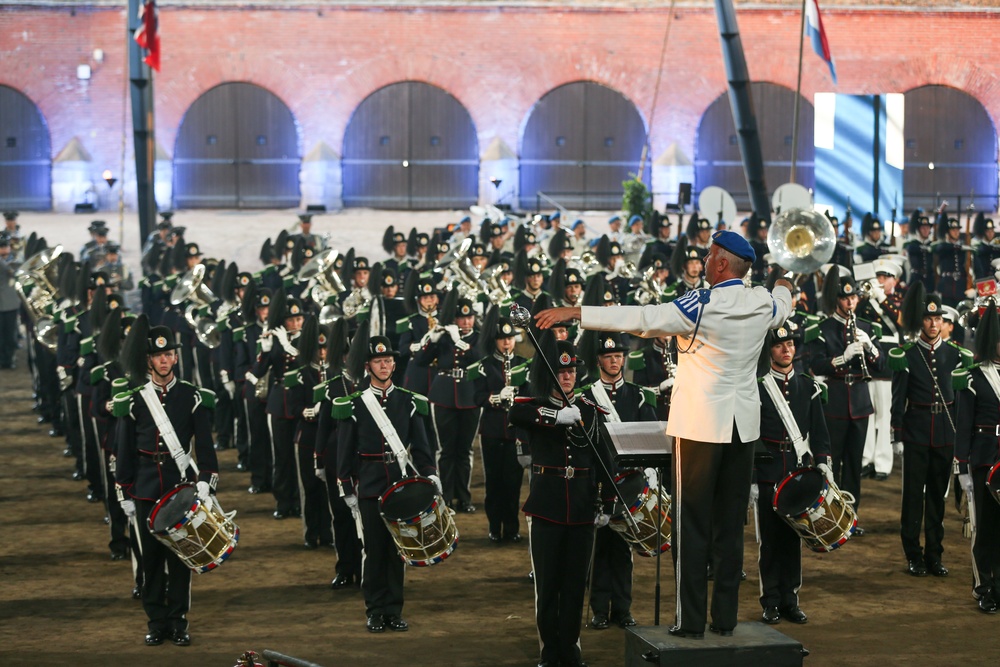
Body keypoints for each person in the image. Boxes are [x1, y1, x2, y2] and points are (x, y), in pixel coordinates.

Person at [535, 229, 794, 639]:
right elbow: (783, 303)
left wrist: (576, 313)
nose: (704, 261)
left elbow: (643, 319)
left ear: (722, 263)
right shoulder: (762, 301)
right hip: (743, 428)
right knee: (730, 526)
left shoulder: (702, 304)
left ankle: (690, 622)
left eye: (710, 256)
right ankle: (724, 619)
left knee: (691, 526)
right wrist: (785, 277)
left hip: (699, 428)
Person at [113, 317, 219, 646]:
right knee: (151, 561)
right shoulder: (134, 400)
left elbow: (205, 445)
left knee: (181, 559)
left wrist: (205, 481)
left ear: (175, 357)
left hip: (180, 489)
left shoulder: (192, 396)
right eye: (157, 355)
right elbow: (123, 450)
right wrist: (124, 491)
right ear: (148, 360)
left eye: (168, 354)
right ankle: (156, 621)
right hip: (145, 487)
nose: (163, 359)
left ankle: (178, 621)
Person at [508, 337, 612, 667]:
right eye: (559, 372)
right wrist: (555, 417)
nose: (566, 377)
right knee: (548, 584)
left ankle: (571, 647)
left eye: (570, 371)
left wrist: (607, 503)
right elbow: (516, 412)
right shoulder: (534, 406)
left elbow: (604, 461)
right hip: (547, 506)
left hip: (582, 507)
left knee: (574, 584)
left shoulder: (590, 411)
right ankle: (548, 650)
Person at [335, 333, 439, 633]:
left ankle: (394, 610)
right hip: (368, 486)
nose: (385, 365)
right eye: (379, 361)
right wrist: (346, 487)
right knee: (373, 550)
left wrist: (430, 473)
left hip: (400, 485)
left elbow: (421, 446)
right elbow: (345, 453)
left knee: (398, 551)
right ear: (368, 366)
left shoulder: (407, 401)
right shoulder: (355, 404)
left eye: (389, 360)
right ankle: (374, 610)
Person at [753, 325, 831, 626]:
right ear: (769, 350)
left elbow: (820, 434)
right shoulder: (758, 388)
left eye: (790, 344)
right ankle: (770, 601)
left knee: (794, 538)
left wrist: (823, 463)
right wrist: (753, 479)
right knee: (770, 541)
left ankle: (790, 599)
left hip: (798, 472)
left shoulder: (809, 387)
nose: (786, 349)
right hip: (769, 472)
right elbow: (750, 437)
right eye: (779, 345)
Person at [579, 331, 657, 631]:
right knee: (600, 550)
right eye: (609, 356)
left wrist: (649, 470)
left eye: (619, 356)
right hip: (600, 484)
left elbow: (650, 437)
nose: (615, 361)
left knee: (624, 550)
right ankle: (599, 609)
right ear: (599, 360)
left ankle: (622, 609)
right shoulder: (586, 398)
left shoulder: (638, 396)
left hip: (629, 486)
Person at [890, 286, 969, 577]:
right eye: (928, 318)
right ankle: (913, 554)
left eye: (937, 318)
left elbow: (960, 403)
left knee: (938, 496)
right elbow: (898, 399)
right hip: (916, 432)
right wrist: (896, 434)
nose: (933, 323)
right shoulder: (907, 355)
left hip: (946, 435)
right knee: (913, 497)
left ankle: (934, 554)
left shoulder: (956, 355)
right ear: (920, 321)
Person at [807, 267, 885, 524]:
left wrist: (870, 347)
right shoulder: (824, 328)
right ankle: (831, 516)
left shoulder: (866, 327)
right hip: (836, 403)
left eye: (853, 298)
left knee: (854, 464)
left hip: (861, 403)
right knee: (833, 462)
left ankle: (852, 516)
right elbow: (816, 365)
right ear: (836, 299)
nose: (850, 302)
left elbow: (882, 367)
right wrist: (843, 357)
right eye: (844, 298)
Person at [954, 301, 1000, 614]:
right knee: (985, 528)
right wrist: (962, 468)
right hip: (984, 459)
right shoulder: (973, 378)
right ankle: (984, 587)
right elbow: (964, 427)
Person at [471, 307, 528, 542]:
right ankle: (495, 527)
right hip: (492, 430)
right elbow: (476, 397)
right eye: (502, 339)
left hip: (515, 431)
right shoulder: (482, 366)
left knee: (514, 483)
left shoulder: (524, 364)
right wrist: (497, 396)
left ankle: (512, 528)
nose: (507, 343)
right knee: (493, 481)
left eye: (510, 338)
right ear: (495, 341)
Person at [0, 234, 19, 369]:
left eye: (5, 246)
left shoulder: (17, 259)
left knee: (10, 335)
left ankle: (8, 359)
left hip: (10, 304)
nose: (3, 250)